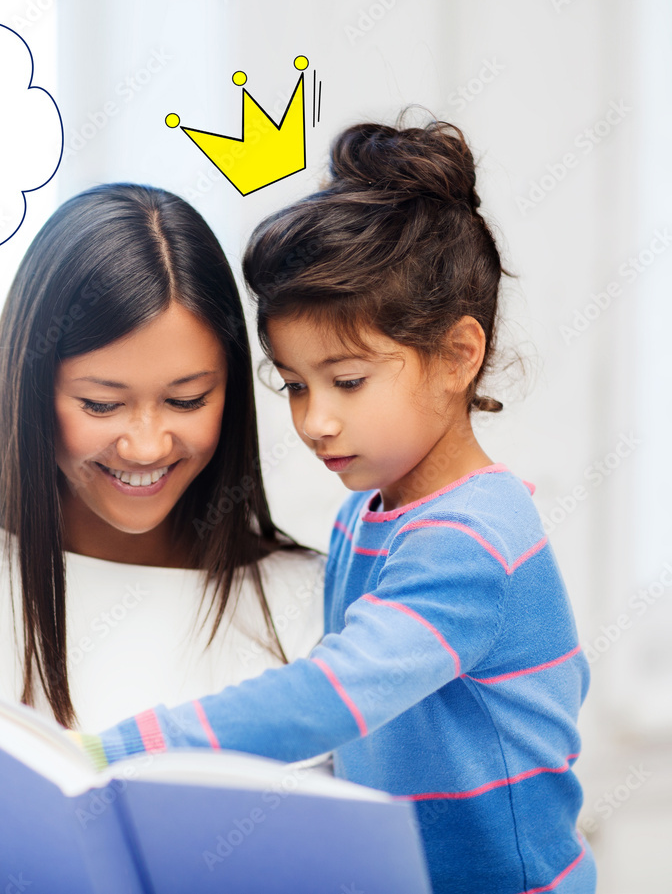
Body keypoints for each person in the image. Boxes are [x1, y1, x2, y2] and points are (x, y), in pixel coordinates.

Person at [78, 120, 597, 893]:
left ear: (459, 354)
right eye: (293, 384)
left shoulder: (474, 538)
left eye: (347, 380)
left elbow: (332, 696)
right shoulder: (369, 515)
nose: (315, 419)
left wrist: (117, 751)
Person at [0, 183, 325, 894]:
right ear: (31, 386)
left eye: (187, 399)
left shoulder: (308, 597)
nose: (147, 443)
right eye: (101, 403)